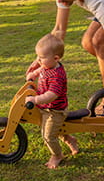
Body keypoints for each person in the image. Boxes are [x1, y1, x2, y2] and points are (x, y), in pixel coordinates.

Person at [24, 34, 79, 169]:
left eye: (41, 58)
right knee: (57, 129)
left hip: (55, 110)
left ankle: (57, 155)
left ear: (56, 58)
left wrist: (35, 99)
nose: (38, 60)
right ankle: (70, 139)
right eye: (38, 56)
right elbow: (40, 70)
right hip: (46, 107)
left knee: (48, 135)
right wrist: (33, 75)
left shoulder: (57, 75)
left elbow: (51, 94)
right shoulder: (48, 65)